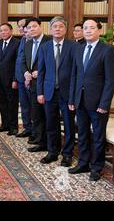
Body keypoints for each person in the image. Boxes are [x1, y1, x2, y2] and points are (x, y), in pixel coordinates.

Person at [68, 19, 114, 181]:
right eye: (85, 28)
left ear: (99, 31)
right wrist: (72, 98)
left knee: (97, 136)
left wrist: (104, 104)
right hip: (80, 100)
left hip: (98, 104)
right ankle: (83, 163)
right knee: (82, 134)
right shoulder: (78, 49)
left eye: (91, 28)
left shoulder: (107, 50)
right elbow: (74, 76)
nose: (88, 31)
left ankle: (96, 167)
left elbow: (111, 80)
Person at [37, 16, 76, 167]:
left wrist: (74, 95)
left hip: (67, 93)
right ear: (50, 29)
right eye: (55, 27)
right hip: (49, 92)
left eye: (61, 26)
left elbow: (75, 72)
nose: (58, 29)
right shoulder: (44, 47)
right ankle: (52, 152)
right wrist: (40, 92)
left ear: (65, 30)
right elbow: (41, 71)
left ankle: (67, 154)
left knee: (68, 125)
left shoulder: (73, 47)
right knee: (50, 124)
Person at [21, 17, 51, 152]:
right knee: (36, 114)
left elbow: (55, 63)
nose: (31, 29)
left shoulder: (49, 41)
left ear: (41, 26)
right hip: (33, 85)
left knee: (48, 115)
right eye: (29, 27)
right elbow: (23, 61)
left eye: (34, 26)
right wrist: (26, 72)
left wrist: (42, 71)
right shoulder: (28, 43)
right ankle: (40, 141)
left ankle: (49, 143)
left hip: (47, 84)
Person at [0, 23, 20, 135]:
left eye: (5, 30)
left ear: (11, 31)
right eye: (1, 30)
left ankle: (13, 127)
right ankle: (4, 124)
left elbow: (18, 63)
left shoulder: (17, 44)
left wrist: (15, 79)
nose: (3, 32)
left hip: (11, 80)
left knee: (12, 104)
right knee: (2, 103)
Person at [15, 19, 33, 138]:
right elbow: (19, 60)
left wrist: (28, 75)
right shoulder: (22, 40)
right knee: (24, 106)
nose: (21, 28)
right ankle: (27, 128)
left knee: (33, 107)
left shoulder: (35, 41)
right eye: (19, 26)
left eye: (23, 26)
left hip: (31, 79)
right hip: (21, 79)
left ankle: (35, 131)